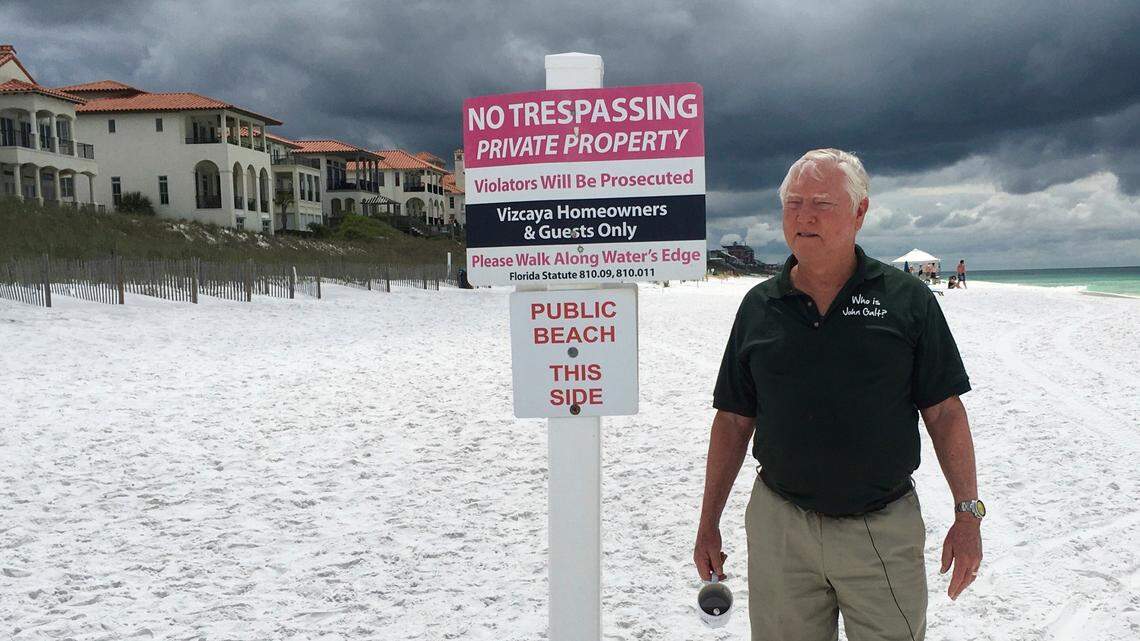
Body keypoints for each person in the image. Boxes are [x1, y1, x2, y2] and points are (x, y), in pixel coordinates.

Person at [694, 149, 984, 641]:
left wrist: (968, 513)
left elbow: (944, 412)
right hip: (780, 527)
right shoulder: (759, 306)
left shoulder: (906, 300)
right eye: (794, 202)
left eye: (823, 203)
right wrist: (708, 522)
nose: (804, 216)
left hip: (882, 529)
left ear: (859, 213)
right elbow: (734, 420)